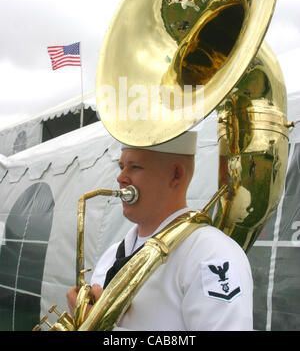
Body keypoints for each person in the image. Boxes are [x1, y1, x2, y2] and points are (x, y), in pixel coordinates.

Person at [67, 131, 253, 331]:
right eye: (121, 167)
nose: (121, 177)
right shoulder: (111, 255)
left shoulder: (211, 253)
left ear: (176, 175)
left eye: (135, 167)